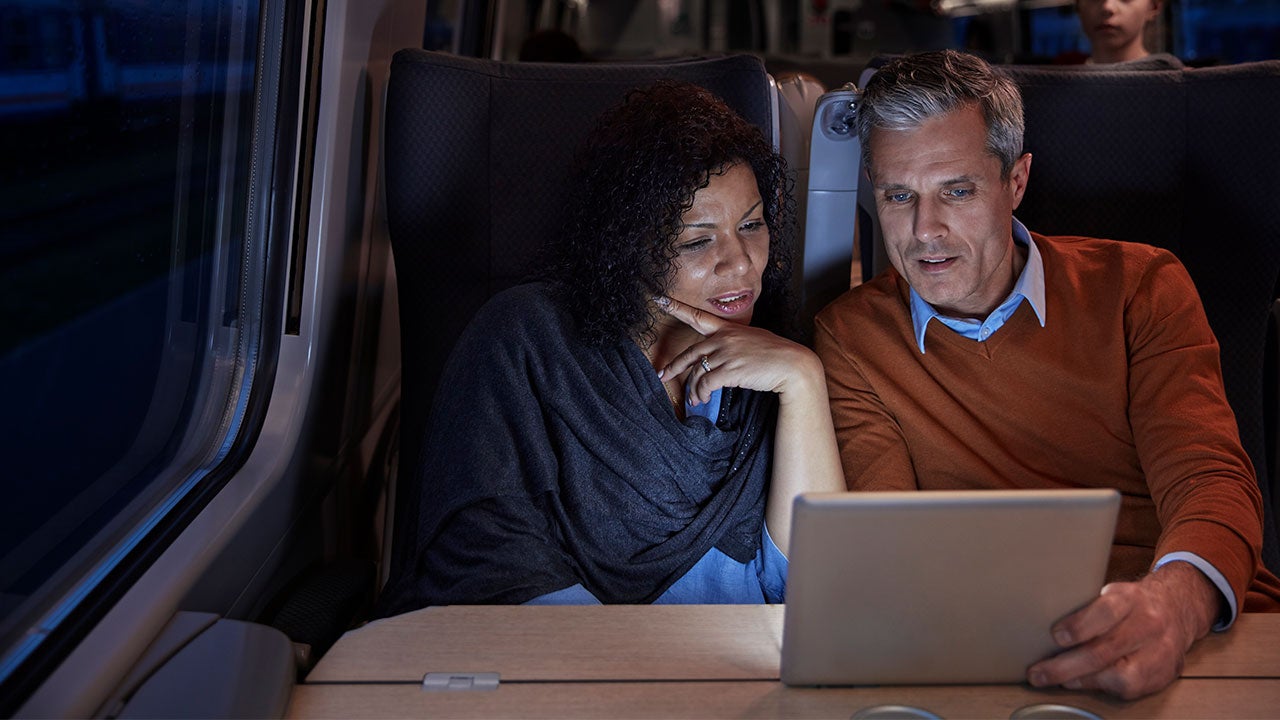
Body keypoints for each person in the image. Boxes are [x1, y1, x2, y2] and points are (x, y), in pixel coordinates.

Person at [813, 49, 1280, 700]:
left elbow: (1210, 480)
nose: (925, 231)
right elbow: (895, 547)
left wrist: (1173, 607)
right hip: (987, 651)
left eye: (956, 190)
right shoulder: (853, 337)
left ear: (1016, 182)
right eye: (899, 195)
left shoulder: (1140, 285)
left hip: (1189, 625)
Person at [377, 80, 843, 613]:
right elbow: (490, 560)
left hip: (746, 670)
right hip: (574, 669)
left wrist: (803, 380)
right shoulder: (526, 339)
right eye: (697, 240)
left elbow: (815, 590)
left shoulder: (770, 359)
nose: (741, 263)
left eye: (752, 225)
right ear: (627, 244)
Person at [1075, 0, 1164, 64]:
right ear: (1078, 6)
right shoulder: (1063, 80)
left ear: (1153, 7)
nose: (1107, 7)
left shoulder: (1172, 83)